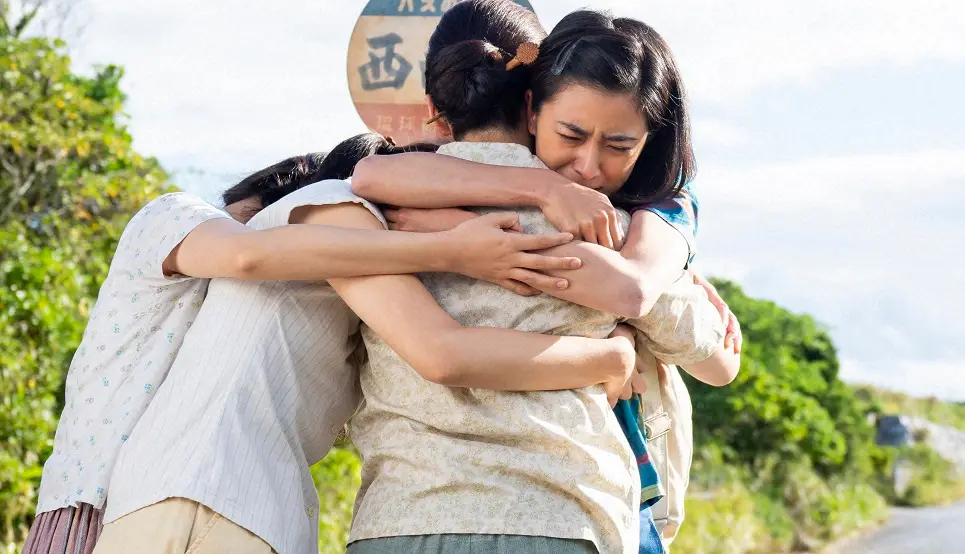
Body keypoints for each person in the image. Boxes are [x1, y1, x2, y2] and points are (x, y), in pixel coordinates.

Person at [24, 138, 622, 554]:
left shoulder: (292, 306)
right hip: (181, 498)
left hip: (196, 504)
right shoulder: (193, 218)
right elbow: (248, 254)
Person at [343, 0, 738, 554]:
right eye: (572, 136)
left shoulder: (373, 210)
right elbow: (715, 354)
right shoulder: (610, 227)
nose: (589, 166)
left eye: (619, 146)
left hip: (401, 515)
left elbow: (361, 179)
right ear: (531, 107)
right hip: (563, 512)